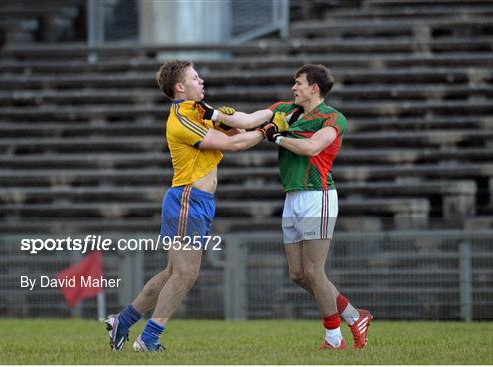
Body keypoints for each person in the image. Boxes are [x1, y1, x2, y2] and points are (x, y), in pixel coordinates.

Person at [104, 60, 283, 352]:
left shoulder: (200, 111)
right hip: (187, 200)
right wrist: (268, 131)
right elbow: (235, 144)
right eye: (195, 77)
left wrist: (280, 110)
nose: (201, 81)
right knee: (186, 274)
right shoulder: (181, 120)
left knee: (173, 273)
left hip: (197, 202)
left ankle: (122, 322)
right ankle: (148, 339)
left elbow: (245, 122)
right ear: (180, 87)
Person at [220, 64, 373, 350]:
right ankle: (355, 316)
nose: (294, 88)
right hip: (292, 197)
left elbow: (313, 147)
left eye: (299, 83)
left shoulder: (333, 118)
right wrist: (212, 113)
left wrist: (275, 136)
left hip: (318, 195)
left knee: (315, 271)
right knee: (298, 274)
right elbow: (250, 118)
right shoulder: (285, 109)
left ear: (314, 88)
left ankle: (334, 337)